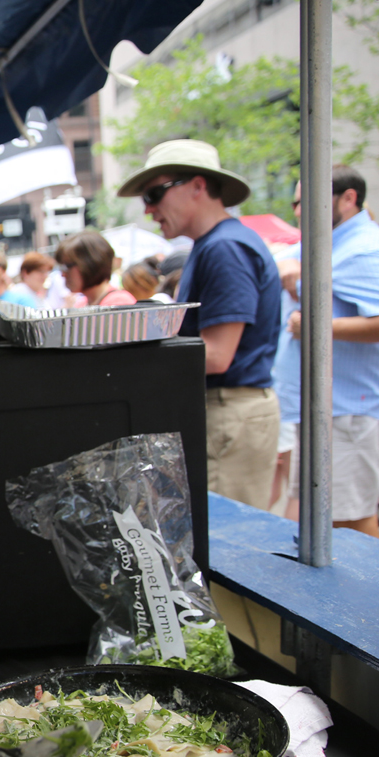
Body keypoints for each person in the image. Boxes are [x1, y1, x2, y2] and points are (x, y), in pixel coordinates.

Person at [118, 140, 281, 510]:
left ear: (198, 185)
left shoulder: (224, 248)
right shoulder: (213, 246)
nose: (149, 209)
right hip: (225, 408)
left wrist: (135, 355)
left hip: (230, 409)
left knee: (226, 543)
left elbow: (219, 355)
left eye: (155, 194)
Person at [277, 168, 379, 538]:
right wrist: (289, 265)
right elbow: (285, 257)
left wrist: (319, 326)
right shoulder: (334, 243)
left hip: (353, 411)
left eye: (306, 201)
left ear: (348, 199)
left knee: (348, 524)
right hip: (334, 409)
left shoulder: (369, 248)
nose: (299, 211)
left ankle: (370, 597)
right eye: (296, 202)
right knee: (323, 522)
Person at [54, 231, 137, 307]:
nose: (63, 274)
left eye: (67, 266)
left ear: (90, 264)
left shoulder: (118, 303)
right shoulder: (82, 304)